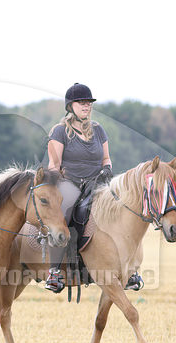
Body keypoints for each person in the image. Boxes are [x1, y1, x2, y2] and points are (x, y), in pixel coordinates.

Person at [44, 83, 115, 293]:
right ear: (70, 106)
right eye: (81, 103)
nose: (86, 106)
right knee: (63, 214)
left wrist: (108, 169)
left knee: (120, 210)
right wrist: (59, 179)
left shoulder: (98, 129)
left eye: (88, 103)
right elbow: (53, 165)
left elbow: (106, 158)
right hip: (70, 183)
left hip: (97, 183)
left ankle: (128, 268)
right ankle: (54, 272)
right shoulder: (59, 131)